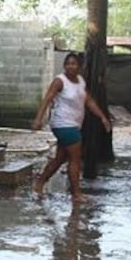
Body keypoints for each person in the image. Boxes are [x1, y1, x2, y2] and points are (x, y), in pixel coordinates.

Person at [31, 52, 111, 203]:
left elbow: (89, 101)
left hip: (74, 124)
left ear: (79, 67)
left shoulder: (80, 81)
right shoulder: (59, 81)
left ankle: (39, 183)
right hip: (62, 124)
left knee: (60, 158)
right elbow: (47, 99)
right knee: (75, 158)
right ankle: (76, 194)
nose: (70, 66)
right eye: (68, 63)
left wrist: (102, 117)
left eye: (74, 64)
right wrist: (38, 119)